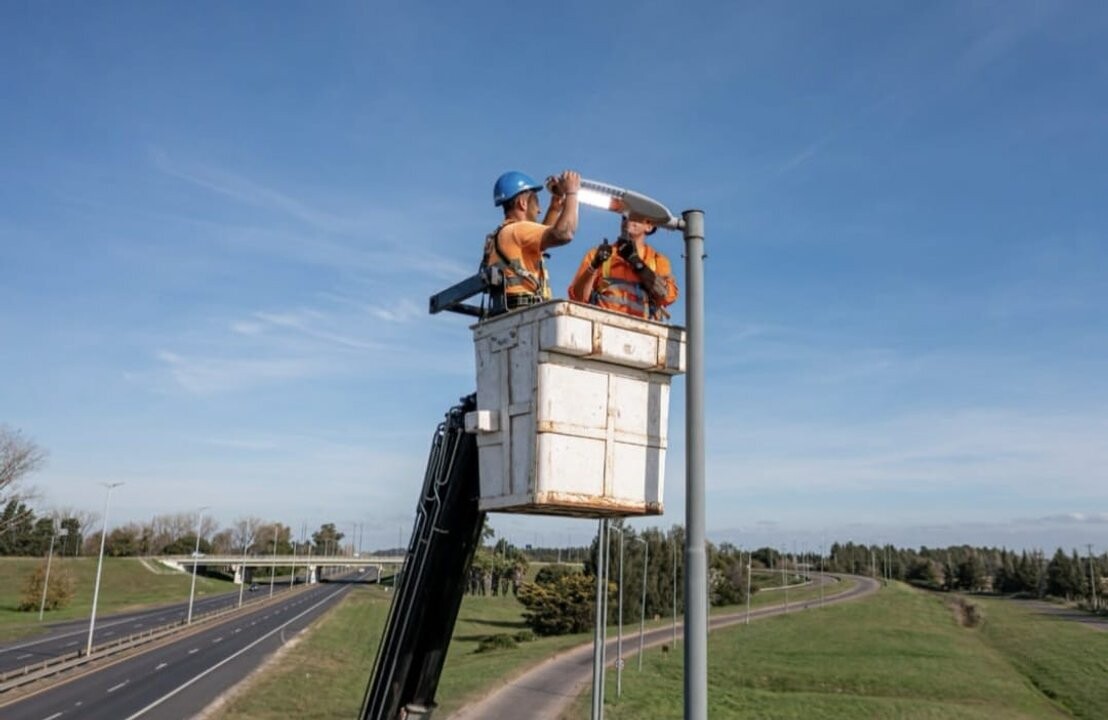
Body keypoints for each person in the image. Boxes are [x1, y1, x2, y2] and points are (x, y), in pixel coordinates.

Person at [483, 169, 580, 315]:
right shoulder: (518, 229)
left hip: (513, 313)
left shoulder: (506, 233)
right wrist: (572, 193)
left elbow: (541, 239)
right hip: (525, 314)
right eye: (536, 203)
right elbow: (564, 233)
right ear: (522, 203)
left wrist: (555, 208)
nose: (539, 210)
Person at [567, 215, 678, 320]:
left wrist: (636, 262)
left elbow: (667, 297)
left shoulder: (657, 261)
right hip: (603, 327)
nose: (628, 219)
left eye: (635, 216)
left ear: (649, 226)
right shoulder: (599, 254)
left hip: (642, 330)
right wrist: (594, 265)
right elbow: (577, 298)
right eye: (625, 216)